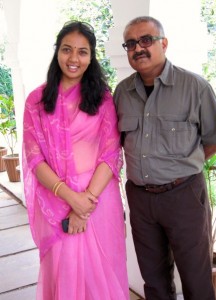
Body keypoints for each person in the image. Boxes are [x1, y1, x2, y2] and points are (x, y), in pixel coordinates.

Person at [113, 16, 216, 300]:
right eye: (131, 43)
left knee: (195, 276)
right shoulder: (122, 92)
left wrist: (181, 167)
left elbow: (215, 139)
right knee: (153, 279)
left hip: (183, 196)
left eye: (146, 40)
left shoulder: (194, 87)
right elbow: (115, 142)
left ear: (163, 44)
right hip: (140, 199)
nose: (138, 48)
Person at [22, 20, 129, 300]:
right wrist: (72, 199)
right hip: (56, 199)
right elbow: (35, 159)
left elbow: (110, 154)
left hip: (98, 199)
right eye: (67, 49)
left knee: (100, 276)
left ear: (91, 57)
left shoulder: (103, 100)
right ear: (57, 51)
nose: (73, 58)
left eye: (82, 52)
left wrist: (85, 205)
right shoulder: (36, 101)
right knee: (64, 273)